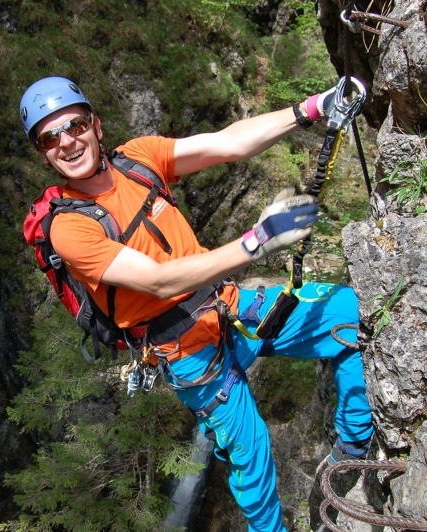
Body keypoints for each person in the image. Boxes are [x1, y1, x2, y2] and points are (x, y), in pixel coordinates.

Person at [19, 76, 374, 532]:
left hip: (229, 307)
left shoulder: (139, 160)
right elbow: (161, 282)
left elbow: (228, 143)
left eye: (75, 125)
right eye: (50, 137)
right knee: (254, 456)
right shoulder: (69, 229)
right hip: (189, 356)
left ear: (96, 125)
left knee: (347, 312)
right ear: (42, 152)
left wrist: (313, 107)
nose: (67, 142)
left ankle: (352, 447)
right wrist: (257, 242)